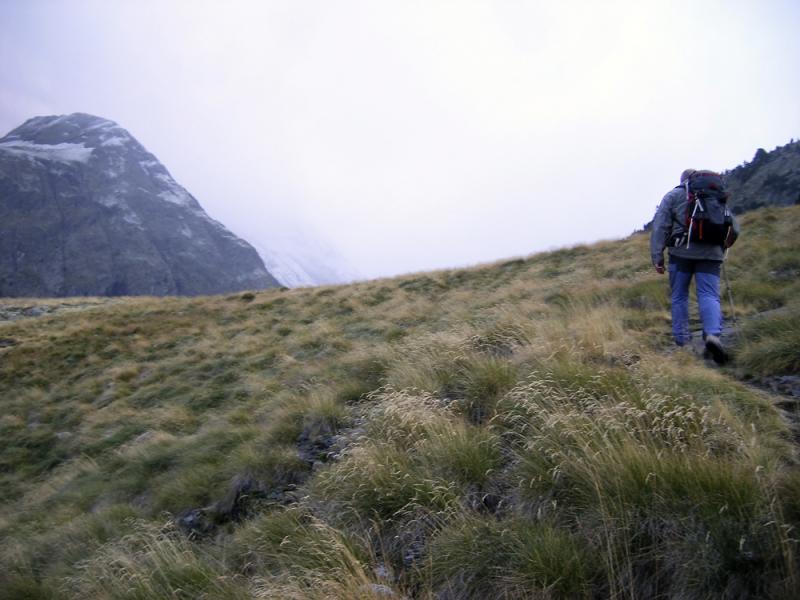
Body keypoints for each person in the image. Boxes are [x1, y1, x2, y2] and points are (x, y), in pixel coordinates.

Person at [650, 168, 740, 363]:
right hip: (712, 253)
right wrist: (726, 244)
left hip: (681, 253)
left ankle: (683, 341)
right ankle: (713, 335)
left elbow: (660, 226)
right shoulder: (714, 195)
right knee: (709, 295)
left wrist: (657, 257)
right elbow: (734, 227)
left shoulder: (673, 195)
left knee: (679, 296)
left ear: (683, 180)